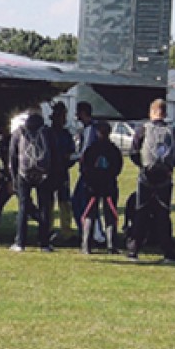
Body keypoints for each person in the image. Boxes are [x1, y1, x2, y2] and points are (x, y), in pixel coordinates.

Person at [126, 98, 175, 263]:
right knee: (163, 215)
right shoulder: (172, 131)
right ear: (165, 113)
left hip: (146, 178)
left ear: (151, 112)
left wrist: (143, 167)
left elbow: (133, 152)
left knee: (141, 213)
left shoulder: (143, 129)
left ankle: (133, 250)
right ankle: (168, 251)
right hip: (165, 179)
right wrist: (170, 167)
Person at [8, 109, 57, 252]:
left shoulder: (19, 132)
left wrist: (14, 177)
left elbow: (12, 156)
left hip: (24, 173)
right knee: (44, 208)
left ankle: (20, 242)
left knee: (23, 207)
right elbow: (55, 155)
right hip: (44, 174)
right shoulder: (47, 132)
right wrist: (53, 175)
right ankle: (44, 243)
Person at [79, 120, 123, 254]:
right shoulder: (114, 149)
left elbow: (84, 167)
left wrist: (89, 179)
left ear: (97, 133)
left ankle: (86, 245)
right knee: (110, 216)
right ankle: (111, 245)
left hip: (92, 186)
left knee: (89, 215)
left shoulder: (91, 149)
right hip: (109, 185)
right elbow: (118, 167)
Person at [48, 102, 78, 242]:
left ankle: (66, 230)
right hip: (51, 171)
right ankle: (48, 228)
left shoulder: (64, 134)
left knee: (64, 201)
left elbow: (71, 152)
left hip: (61, 170)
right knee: (49, 202)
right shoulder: (48, 133)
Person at [72, 101, 100, 243]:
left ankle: (91, 233)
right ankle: (89, 232)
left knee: (82, 203)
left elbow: (85, 152)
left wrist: (70, 157)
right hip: (92, 173)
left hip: (88, 173)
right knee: (84, 202)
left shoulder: (89, 129)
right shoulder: (92, 128)